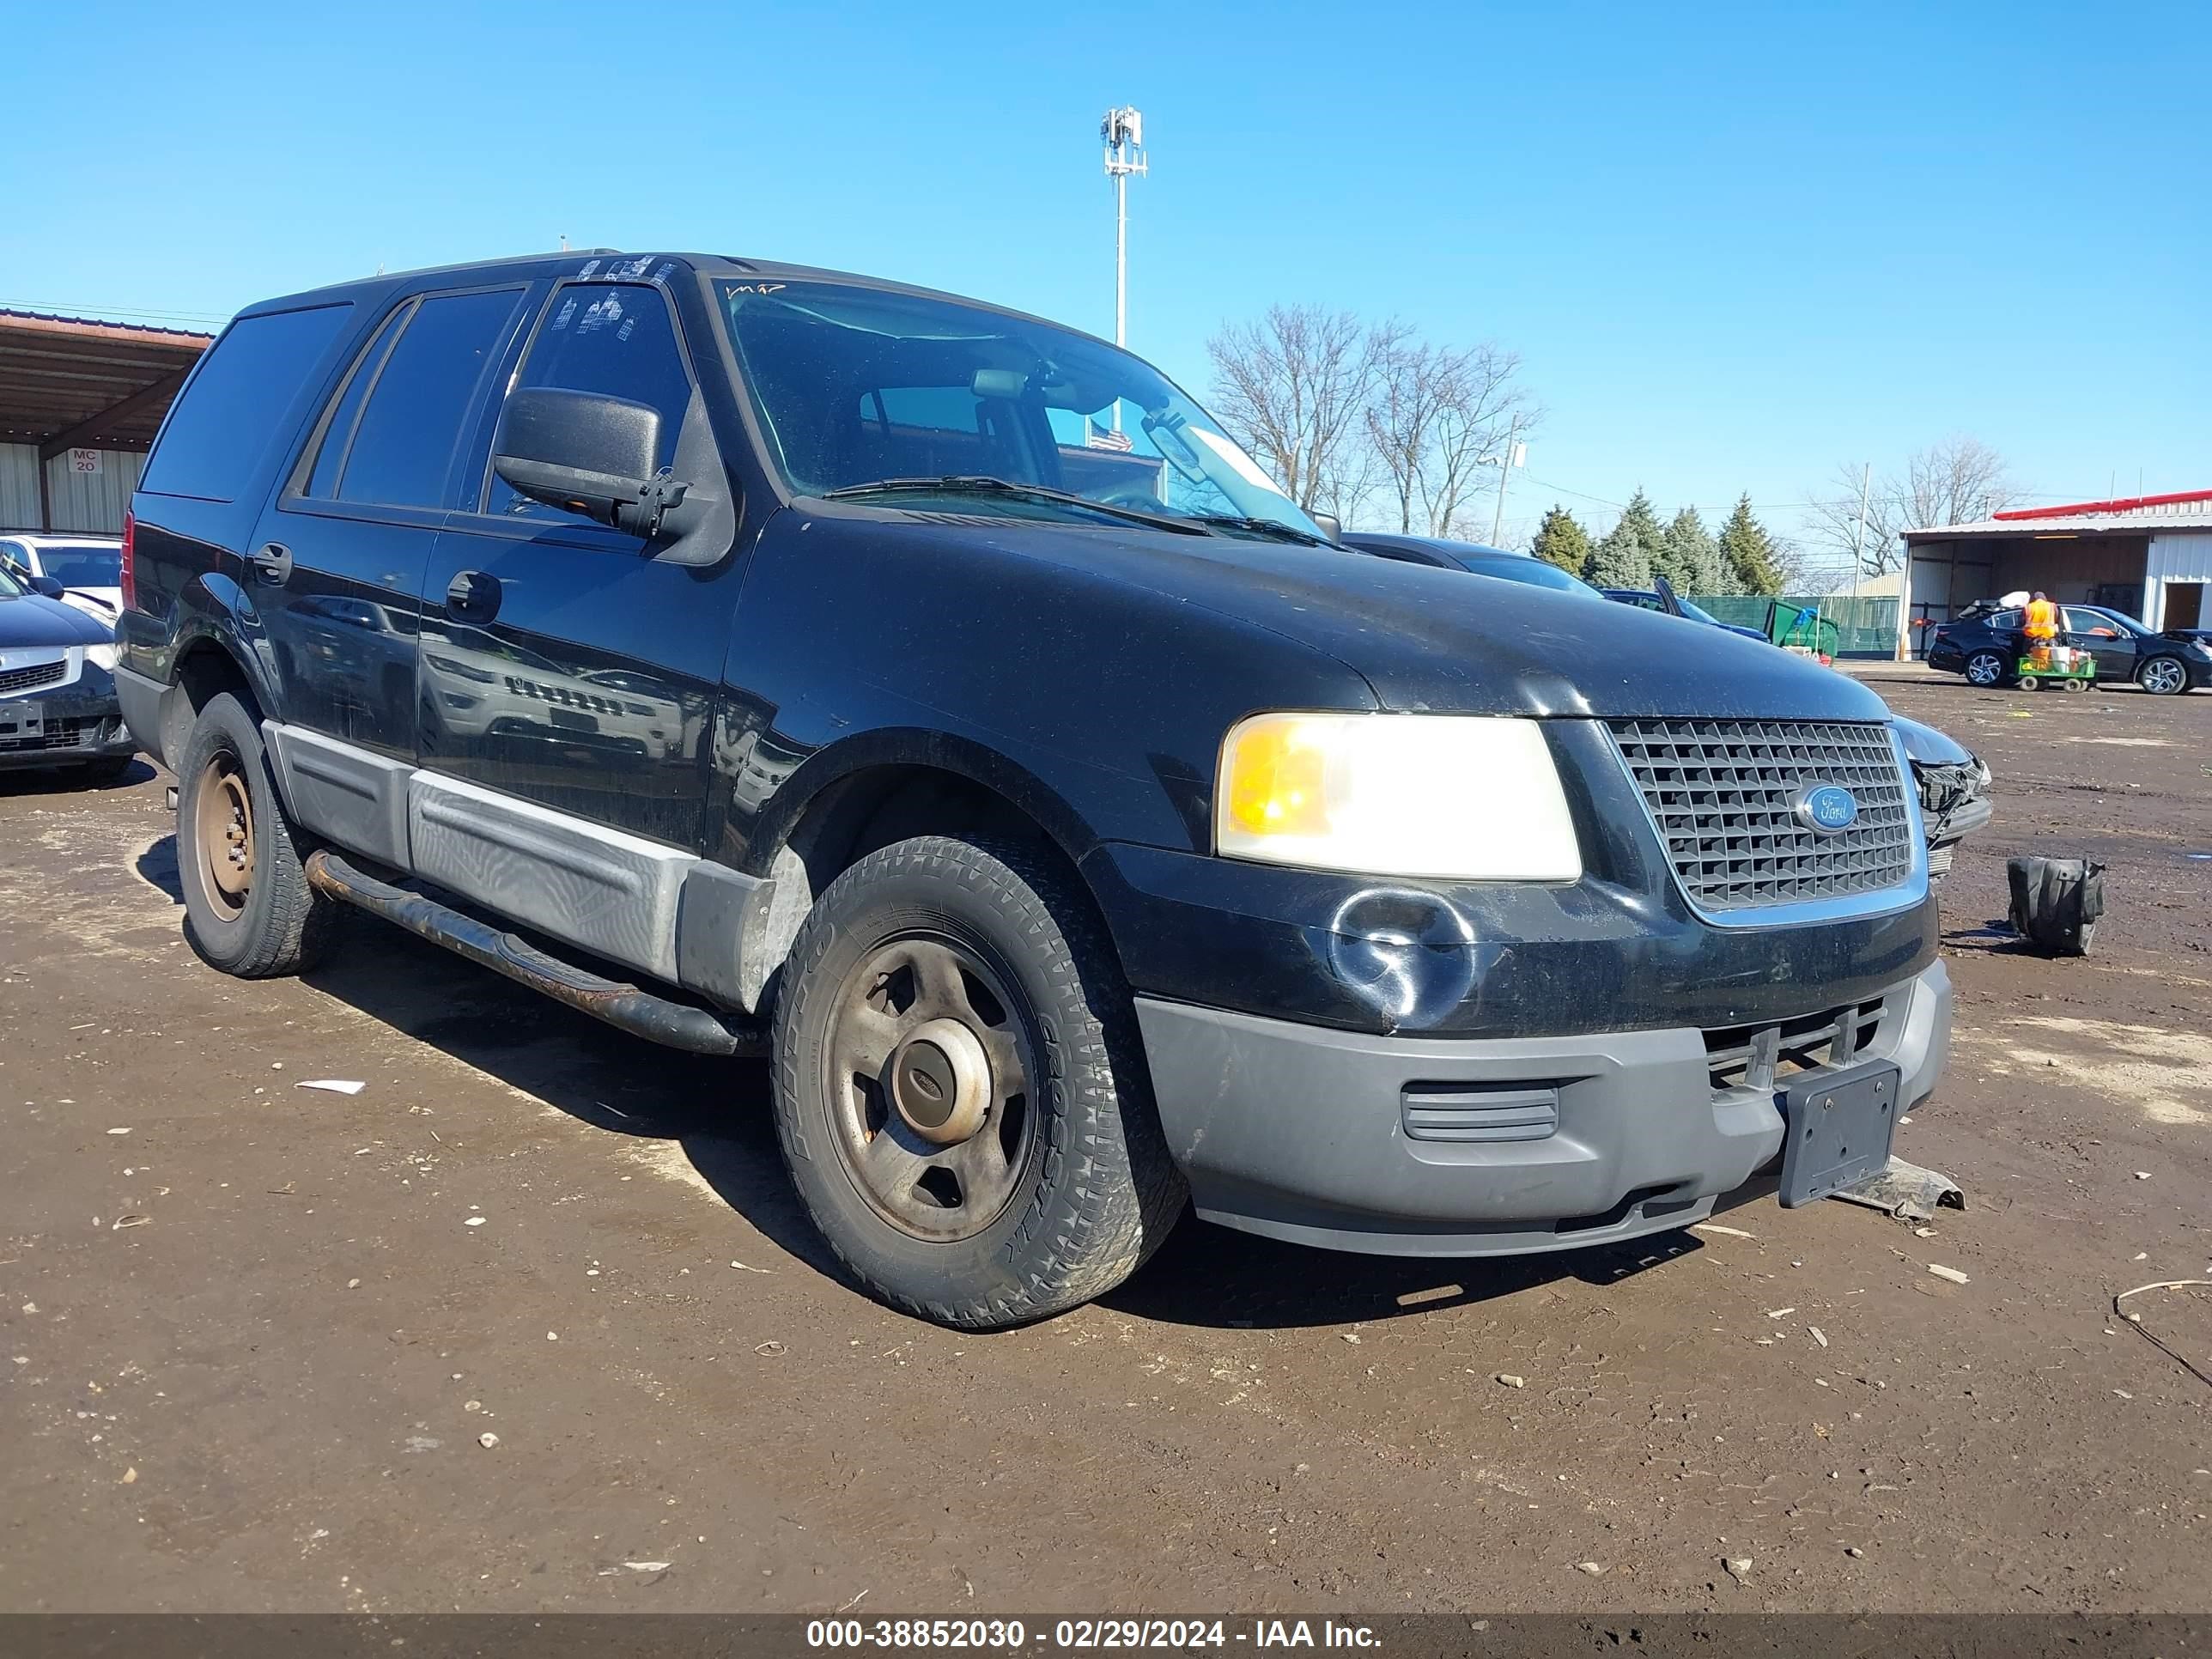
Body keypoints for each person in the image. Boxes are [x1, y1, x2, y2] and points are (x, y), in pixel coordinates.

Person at [2022, 590, 2061, 671]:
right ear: (2044, 598)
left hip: (2031, 636)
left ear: (2034, 599)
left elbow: (2022, 621)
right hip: (2048, 636)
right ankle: (2046, 669)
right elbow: (2057, 618)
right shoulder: (2051, 606)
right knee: (2046, 656)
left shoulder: (2028, 607)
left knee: (2030, 656)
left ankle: (2031, 670)